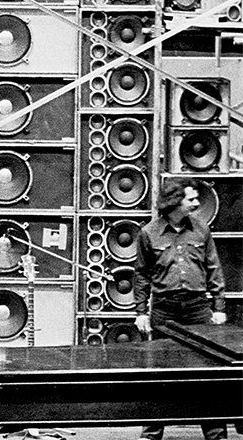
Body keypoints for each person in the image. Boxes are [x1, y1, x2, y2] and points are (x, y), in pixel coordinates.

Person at [134, 177, 227, 440]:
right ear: (175, 201)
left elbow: (214, 268)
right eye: (192, 198)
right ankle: (151, 435)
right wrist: (141, 311)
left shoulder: (201, 230)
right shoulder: (148, 233)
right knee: (159, 375)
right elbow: (140, 275)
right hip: (165, 311)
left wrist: (218, 306)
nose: (198, 202)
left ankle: (216, 435)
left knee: (208, 375)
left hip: (198, 309)